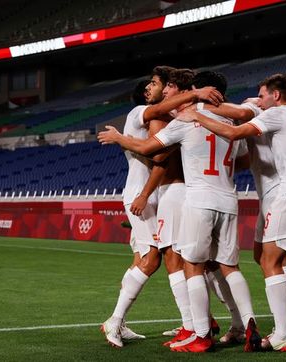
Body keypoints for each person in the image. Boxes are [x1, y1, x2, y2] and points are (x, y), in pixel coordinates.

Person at [177, 74, 286, 354]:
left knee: (269, 260)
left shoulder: (272, 113)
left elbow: (233, 126)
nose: (258, 99)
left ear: (275, 96)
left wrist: (196, 112)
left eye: (262, 95)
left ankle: (284, 331)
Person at [99, 71, 261, 353]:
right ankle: (240, 323)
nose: (159, 89)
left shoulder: (186, 119)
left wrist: (118, 138)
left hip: (185, 195)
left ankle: (195, 329)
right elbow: (245, 153)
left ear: (192, 90)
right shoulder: (229, 119)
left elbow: (157, 154)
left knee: (184, 263)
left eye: (165, 84)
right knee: (221, 265)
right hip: (226, 197)